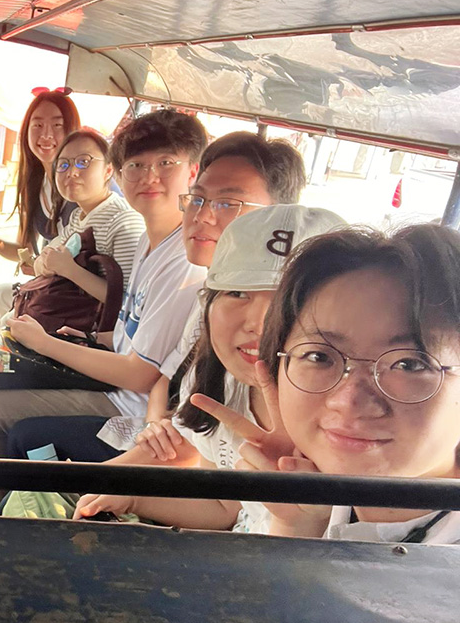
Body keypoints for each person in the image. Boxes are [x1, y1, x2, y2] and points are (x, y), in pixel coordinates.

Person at [0, 109, 208, 512]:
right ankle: (10, 503)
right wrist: (91, 340)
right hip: (116, 374)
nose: (149, 176)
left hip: (128, 404)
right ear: (121, 173)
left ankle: (4, 508)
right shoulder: (149, 241)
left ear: (193, 171)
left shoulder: (183, 260)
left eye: (165, 164)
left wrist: (46, 343)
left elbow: (142, 374)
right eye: (137, 165)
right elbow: (128, 327)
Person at [9, 131, 306, 465]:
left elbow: (152, 390)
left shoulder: (282, 324)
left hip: (136, 410)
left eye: (227, 203)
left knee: (10, 425)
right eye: (197, 200)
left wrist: (44, 342)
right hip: (158, 426)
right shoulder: (211, 294)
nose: (203, 216)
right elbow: (169, 378)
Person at [72, 205, 345, 529]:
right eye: (236, 292)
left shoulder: (347, 431)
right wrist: (129, 498)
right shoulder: (223, 388)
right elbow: (224, 507)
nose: (258, 323)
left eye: (288, 302)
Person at [191, 225, 460, 544]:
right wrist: (295, 522)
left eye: (409, 364)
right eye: (319, 356)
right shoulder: (321, 488)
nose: (348, 400)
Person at [0, 90, 82, 334]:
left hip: (76, 299)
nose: (46, 135)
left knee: (9, 322)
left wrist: (42, 266)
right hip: (50, 287)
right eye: (37, 124)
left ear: (72, 131)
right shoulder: (35, 184)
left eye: (57, 125)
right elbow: (26, 253)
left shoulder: (81, 186)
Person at [30, 128, 144, 303]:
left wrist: (70, 270)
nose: (72, 172)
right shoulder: (79, 216)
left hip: (92, 326)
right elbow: (48, 255)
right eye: (63, 165)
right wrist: (42, 263)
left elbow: (128, 302)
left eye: (83, 162)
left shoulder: (124, 222)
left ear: (108, 171)